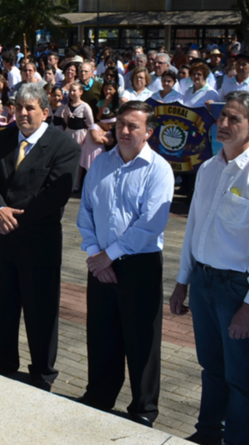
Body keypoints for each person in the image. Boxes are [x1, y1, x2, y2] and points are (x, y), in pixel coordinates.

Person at [169, 91, 249, 445]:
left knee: (240, 377)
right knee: (212, 368)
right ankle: (208, 433)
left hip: (239, 291)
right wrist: (182, 282)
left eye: (233, 119)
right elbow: (194, 228)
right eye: (222, 117)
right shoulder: (208, 169)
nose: (222, 124)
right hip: (204, 282)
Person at [76, 101, 174, 427]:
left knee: (141, 339)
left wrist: (110, 255)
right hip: (99, 262)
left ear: (149, 132)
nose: (125, 131)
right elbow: (85, 212)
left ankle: (143, 409)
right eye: (120, 124)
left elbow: (150, 224)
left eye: (133, 126)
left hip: (139, 265)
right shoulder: (101, 164)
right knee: (102, 334)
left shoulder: (158, 169)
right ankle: (99, 396)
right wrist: (95, 253)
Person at [0, 82, 81, 391]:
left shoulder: (65, 146)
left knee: (41, 314)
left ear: (45, 112)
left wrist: (12, 216)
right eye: (18, 107)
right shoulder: (4, 137)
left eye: (29, 108)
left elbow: (55, 194)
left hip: (39, 242)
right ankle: (3, 361)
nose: (22, 113)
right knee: (4, 307)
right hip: (3, 238)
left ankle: (42, 374)